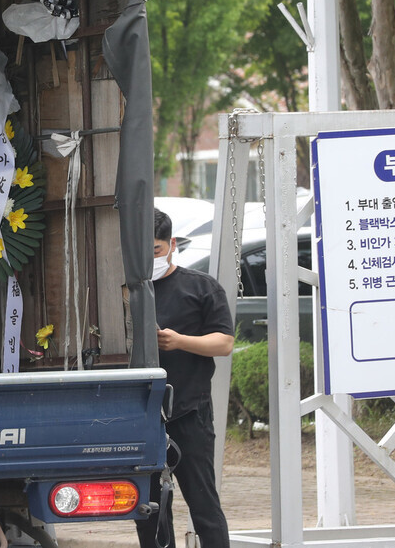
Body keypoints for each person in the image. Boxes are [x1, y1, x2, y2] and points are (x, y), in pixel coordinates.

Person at [136, 208, 234, 548]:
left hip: (190, 411)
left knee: (204, 503)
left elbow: (223, 343)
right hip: (141, 418)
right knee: (150, 511)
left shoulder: (201, 288)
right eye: (141, 254)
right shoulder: (128, 291)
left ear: (172, 244)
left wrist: (179, 341)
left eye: (156, 252)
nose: (150, 260)